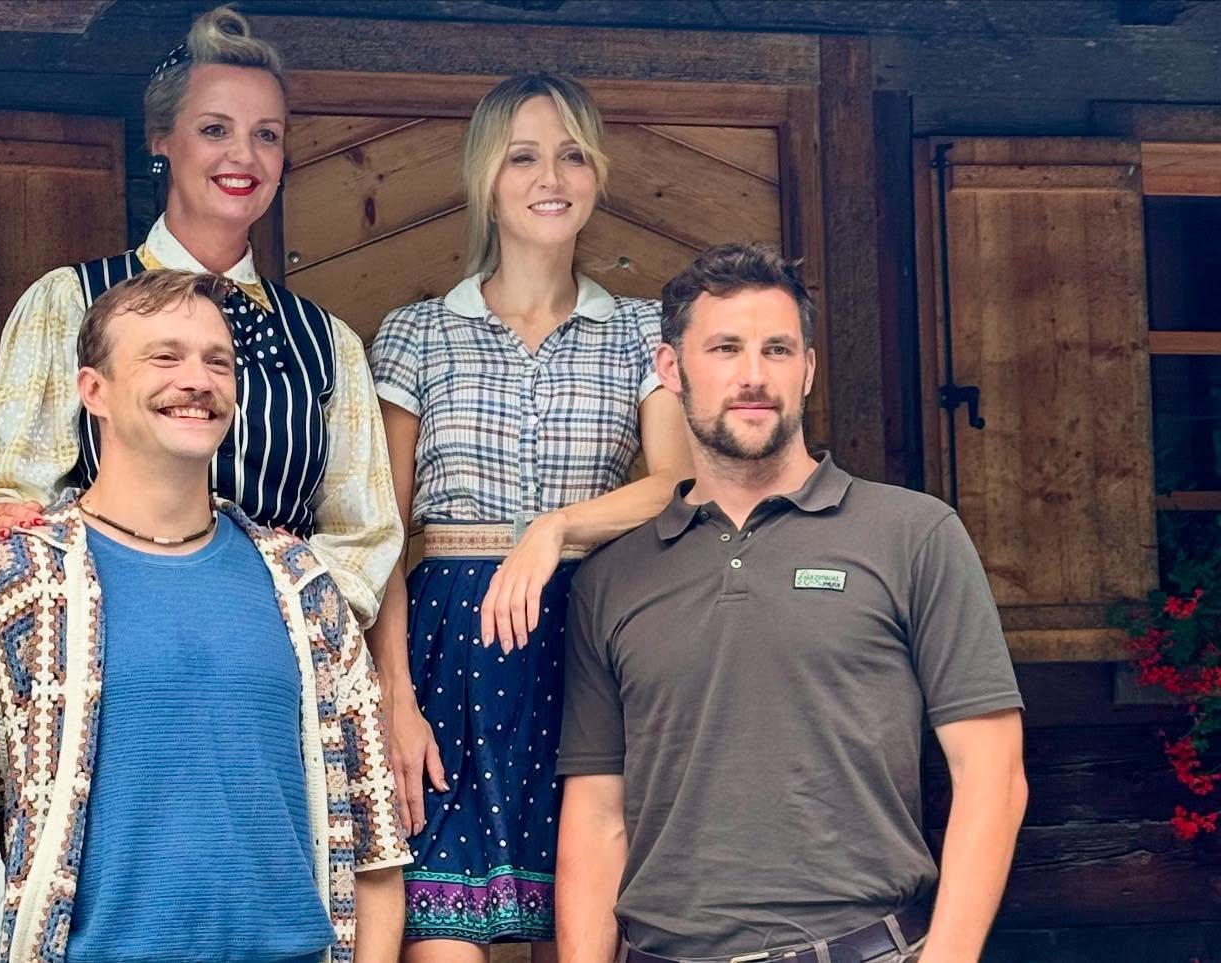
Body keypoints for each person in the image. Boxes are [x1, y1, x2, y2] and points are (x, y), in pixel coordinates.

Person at [0, 269, 408, 963]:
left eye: (218, 362)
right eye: (165, 357)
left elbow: (375, 849)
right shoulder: (17, 583)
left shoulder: (303, 587)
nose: (197, 380)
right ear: (92, 390)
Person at [555, 244, 1029, 963]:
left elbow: (992, 773)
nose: (754, 375)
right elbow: (596, 818)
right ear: (671, 369)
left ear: (807, 368)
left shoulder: (914, 534)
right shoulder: (611, 578)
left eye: (777, 349)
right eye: (725, 348)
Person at [365, 74, 693, 961]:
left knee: (583, 924)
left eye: (572, 155)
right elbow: (383, 532)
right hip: (446, 654)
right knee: (438, 936)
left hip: (587, 643)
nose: (551, 177)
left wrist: (554, 530)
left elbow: (676, 482)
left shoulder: (641, 331)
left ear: (597, 174)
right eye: (523, 157)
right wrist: (394, 696)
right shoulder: (416, 332)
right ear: (486, 179)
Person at [0, 4, 401, 627]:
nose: (244, 155)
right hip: (111, 625)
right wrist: (9, 520)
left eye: (267, 135)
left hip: (273, 635)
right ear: (161, 139)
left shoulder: (328, 342)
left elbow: (364, 537)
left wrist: (275, 595)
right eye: (215, 129)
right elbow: (17, 496)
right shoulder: (70, 301)